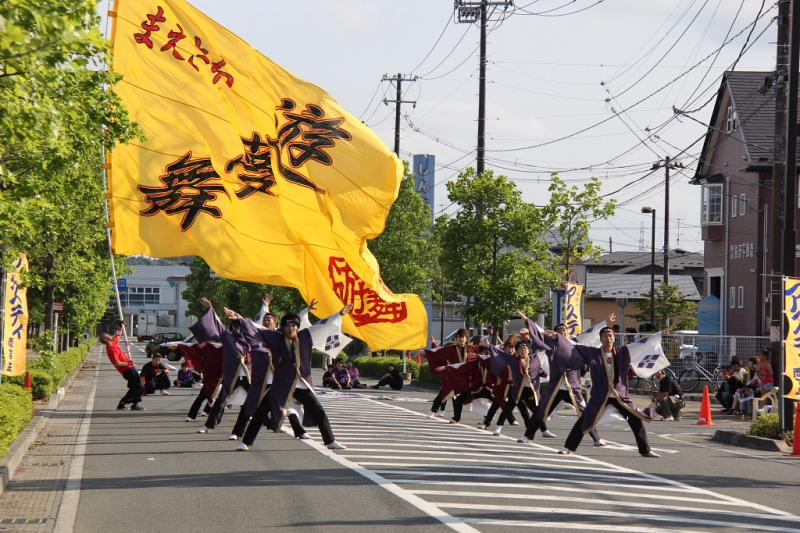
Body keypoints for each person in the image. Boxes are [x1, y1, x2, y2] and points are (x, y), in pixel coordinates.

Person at [230, 304, 351, 451]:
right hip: (281, 384)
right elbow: (258, 328)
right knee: (261, 411)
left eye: (293, 326)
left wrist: (340, 314)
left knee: (318, 410)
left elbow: (322, 325)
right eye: (287, 326)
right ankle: (246, 442)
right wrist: (240, 319)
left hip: (301, 383)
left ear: (297, 327)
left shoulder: (306, 336)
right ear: (283, 328)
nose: (290, 329)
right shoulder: (276, 338)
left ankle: (330, 440)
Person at [99, 322, 144, 411]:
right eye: (107, 335)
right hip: (127, 370)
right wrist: (128, 363)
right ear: (105, 339)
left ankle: (125, 404)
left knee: (136, 387)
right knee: (139, 386)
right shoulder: (111, 349)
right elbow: (117, 363)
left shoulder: (113, 342)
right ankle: (130, 404)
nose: (109, 335)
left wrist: (121, 326)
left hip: (130, 368)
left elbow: (118, 334)